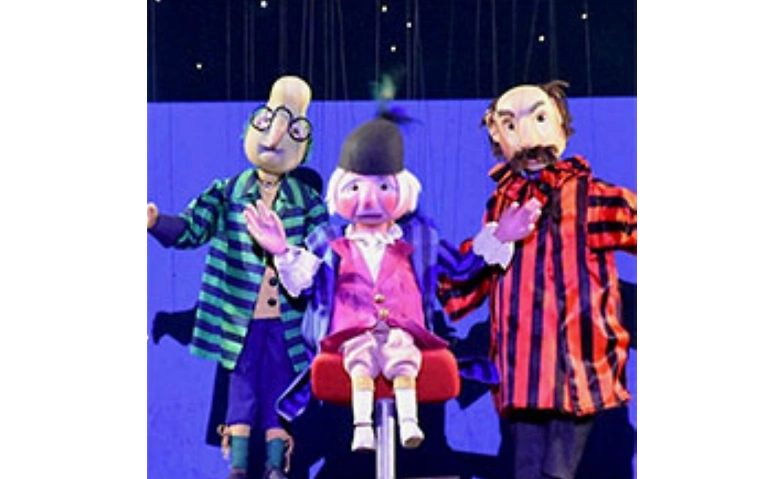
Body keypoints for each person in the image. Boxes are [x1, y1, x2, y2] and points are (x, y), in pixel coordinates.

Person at [437, 80, 639, 479]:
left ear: (560, 123)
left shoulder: (588, 196)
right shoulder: (503, 201)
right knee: (527, 467)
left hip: (577, 372)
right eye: (510, 125)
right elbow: (464, 285)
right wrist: (498, 237)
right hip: (522, 373)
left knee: (559, 470)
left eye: (539, 119)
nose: (528, 141)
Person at [145, 75, 329, 479]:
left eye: (291, 132)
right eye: (266, 123)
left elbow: (324, 256)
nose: (275, 138)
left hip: (289, 320)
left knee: (281, 388)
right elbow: (193, 227)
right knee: (241, 389)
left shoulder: (308, 202)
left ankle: (277, 465)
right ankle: (239, 467)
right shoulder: (229, 192)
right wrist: (158, 223)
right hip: (239, 318)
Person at [243, 113, 459, 453]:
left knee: (402, 353)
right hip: (350, 331)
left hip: (404, 327)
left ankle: (408, 421)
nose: (368, 201)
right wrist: (282, 251)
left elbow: (460, 270)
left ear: (403, 190)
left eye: (384, 187)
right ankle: (362, 428)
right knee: (360, 358)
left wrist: (501, 238)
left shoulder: (420, 239)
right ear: (339, 190)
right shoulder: (327, 240)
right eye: (355, 188)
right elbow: (303, 282)